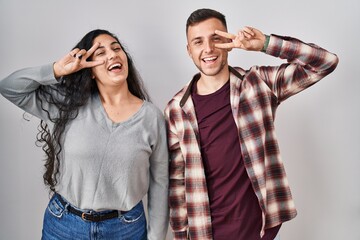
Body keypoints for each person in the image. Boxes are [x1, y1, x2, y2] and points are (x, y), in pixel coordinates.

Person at [164, 8, 339, 240]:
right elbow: (177, 180)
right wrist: (180, 235)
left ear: (229, 40)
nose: (208, 48)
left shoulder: (259, 84)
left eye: (216, 38)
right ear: (189, 50)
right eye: (198, 41)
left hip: (259, 229)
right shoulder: (177, 109)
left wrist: (265, 43)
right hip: (206, 231)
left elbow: (325, 62)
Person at [0, 29, 169, 240]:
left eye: (116, 48)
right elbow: (9, 87)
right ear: (89, 69)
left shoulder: (152, 118)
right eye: (100, 53)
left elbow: (160, 184)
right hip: (63, 226)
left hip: (126, 229)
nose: (112, 55)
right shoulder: (69, 104)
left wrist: (157, 238)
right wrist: (57, 70)